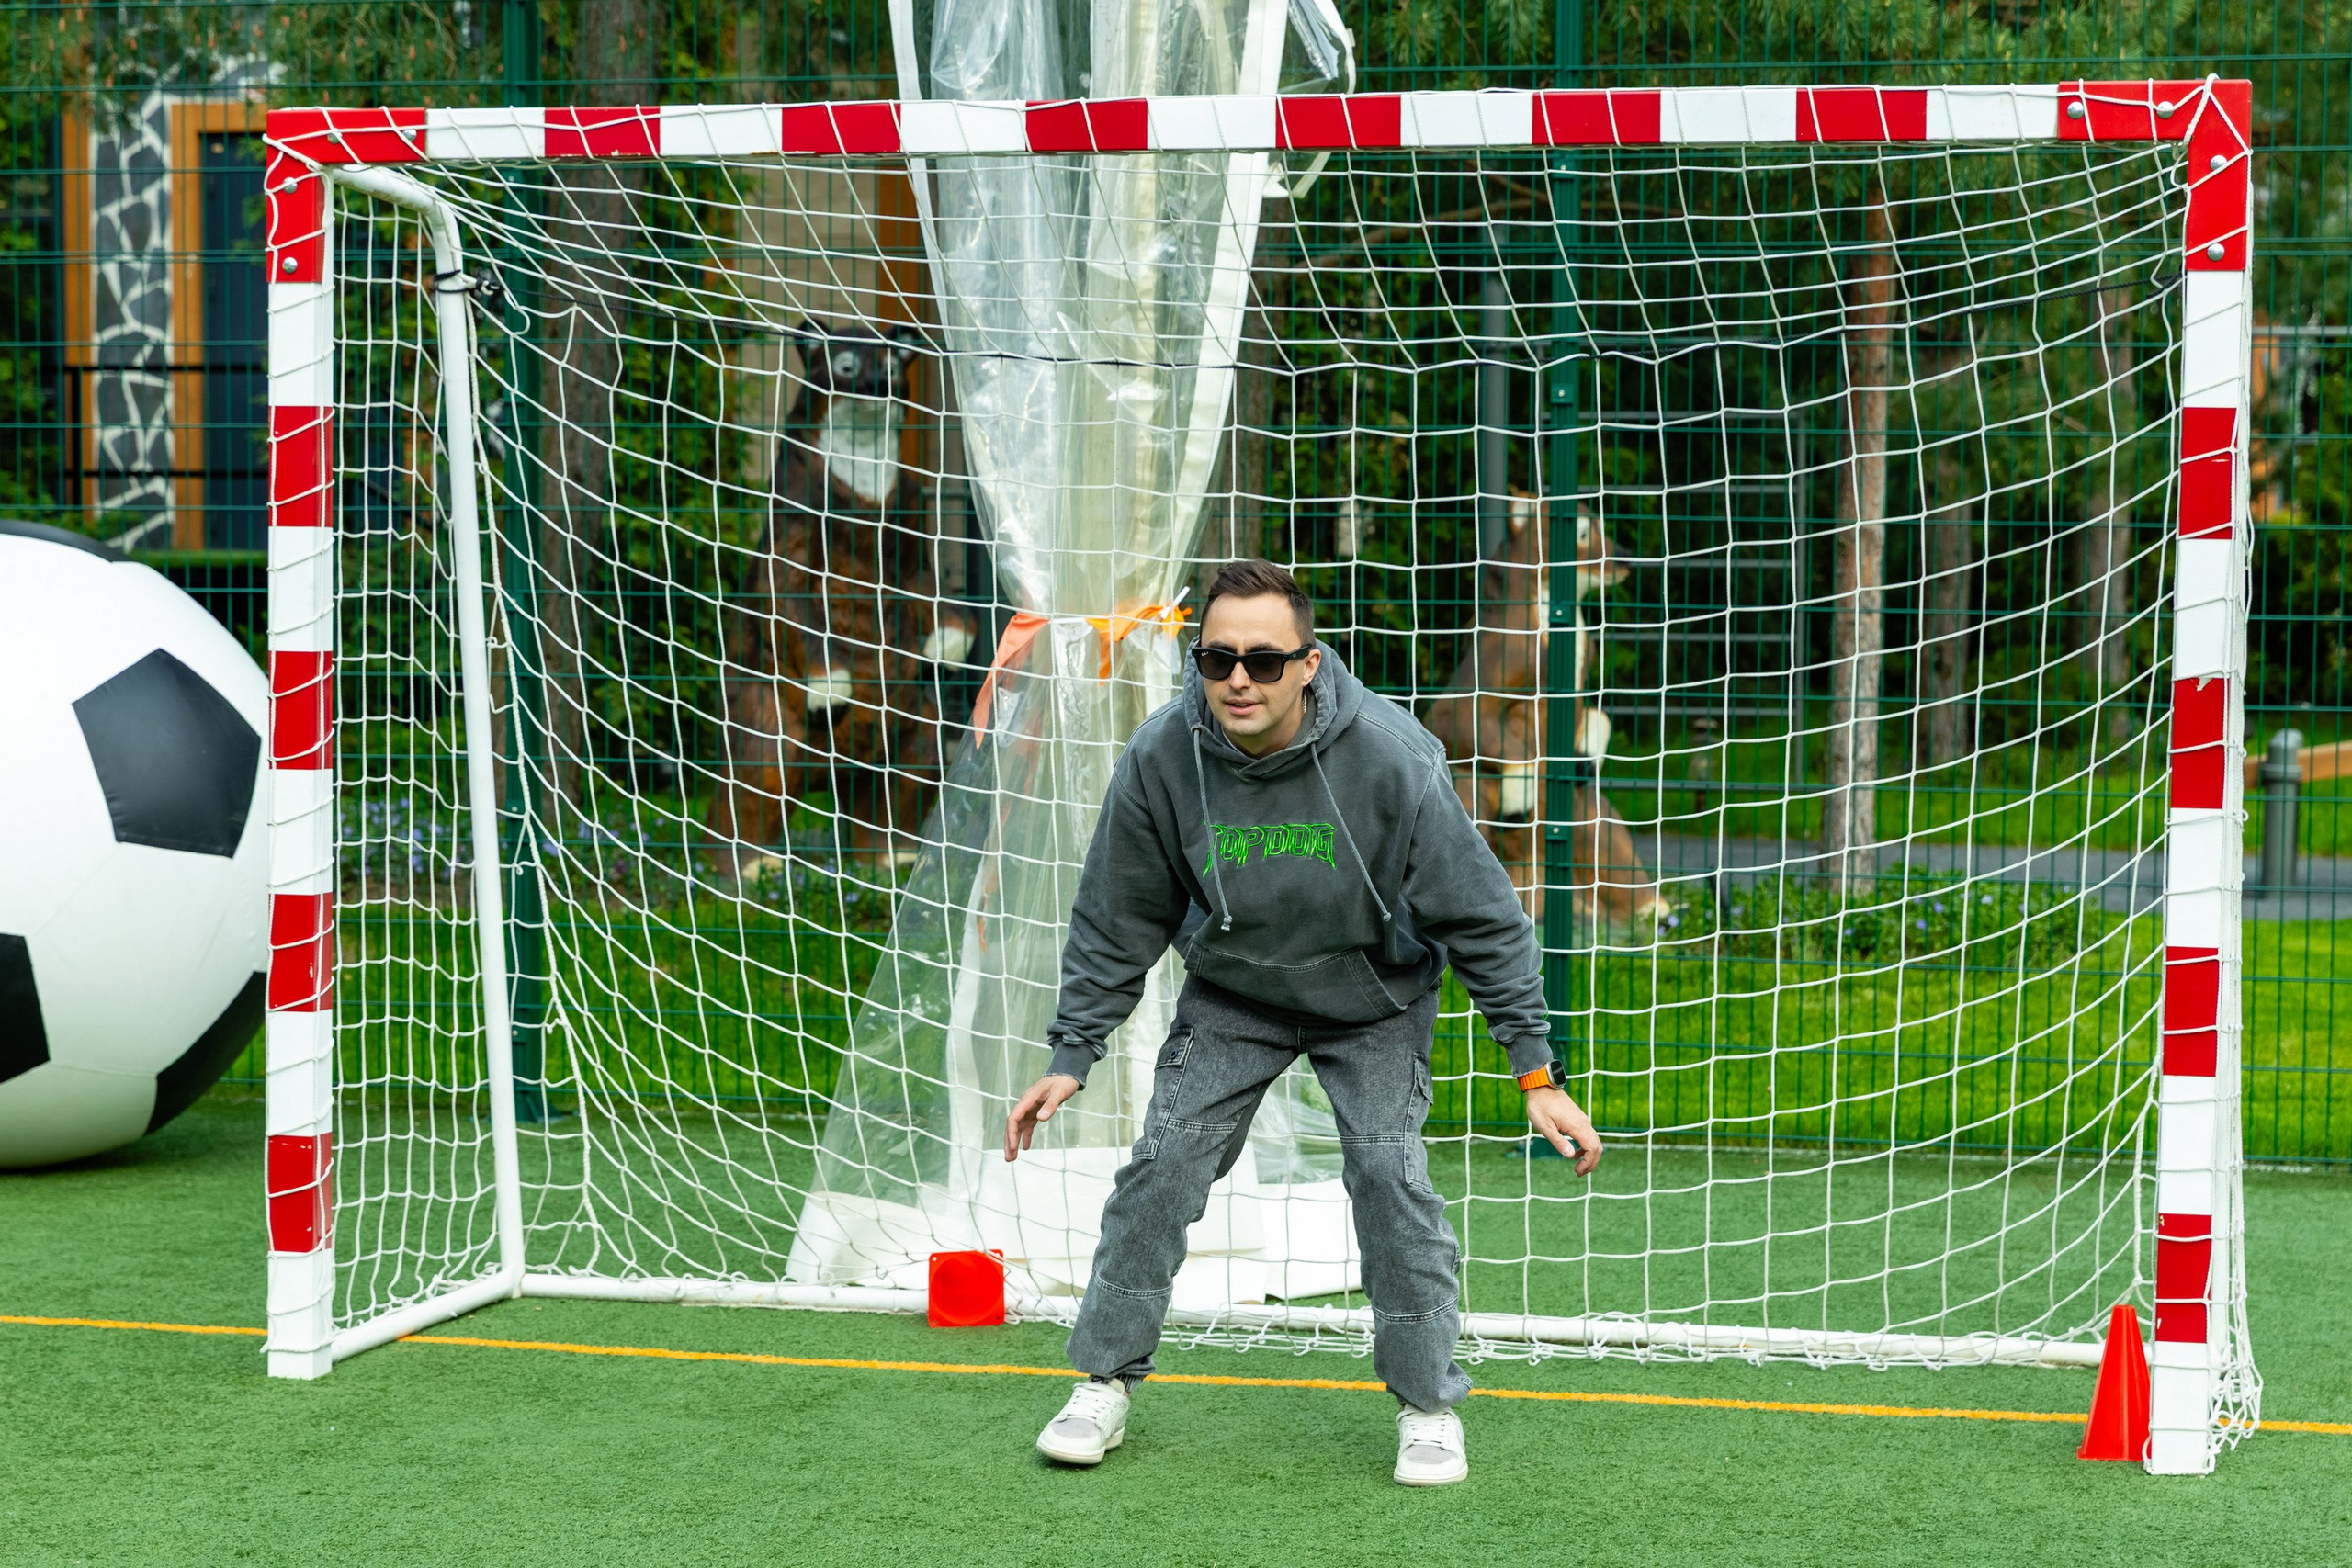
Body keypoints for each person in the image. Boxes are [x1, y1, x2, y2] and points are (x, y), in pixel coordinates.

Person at [1003, 558, 1602, 1487]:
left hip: (1374, 1001)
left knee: (1387, 1173)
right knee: (1162, 1165)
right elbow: (1118, 911)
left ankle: (1427, 1405)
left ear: (1310, 664)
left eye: (1265, 660)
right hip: (1236, 993)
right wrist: (1072, 1051)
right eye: (1217, 658)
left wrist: (1536, 1073)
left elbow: (1482, 918)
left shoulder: (1392, 759)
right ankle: (1103, 1383)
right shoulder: (1163, 756)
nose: (1239, 678)